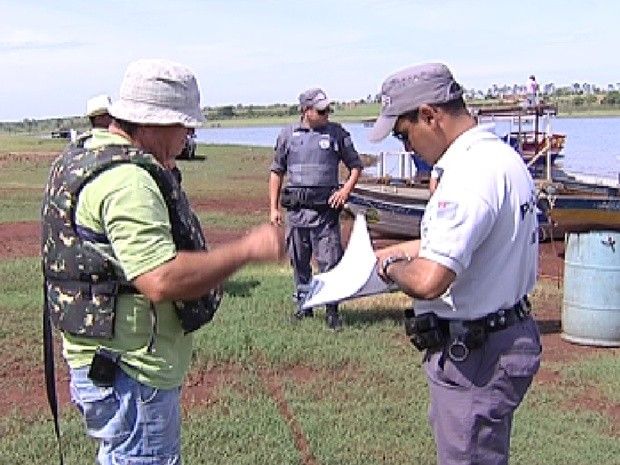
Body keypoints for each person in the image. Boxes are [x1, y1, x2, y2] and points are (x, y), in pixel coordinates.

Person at [41, 58, 285, 465]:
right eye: (184, 126)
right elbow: (159, 279)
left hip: (96, 358)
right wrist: (248, 249)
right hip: (132, 372)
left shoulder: (80, 157)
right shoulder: (129, 182)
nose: (188, 136)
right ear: (153, 122)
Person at [369, 63, 541, 465]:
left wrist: (389, 266)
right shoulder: (500, 157)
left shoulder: (467, 176)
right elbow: (480, 241)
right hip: (503, 335)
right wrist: (408, 250)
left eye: (404, 134)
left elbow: (429, 281)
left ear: (430, 115)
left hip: (476, 358)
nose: (407, 148)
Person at [269, 88, 363, 330]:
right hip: (297, 214)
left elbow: (355, 166)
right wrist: (273, 208)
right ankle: (304, 306)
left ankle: (332, 310)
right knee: (299, 262)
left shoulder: (337, 133)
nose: (326, 114)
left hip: (325, 215)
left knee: (329, 261)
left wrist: (345, 191)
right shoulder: (288, 135)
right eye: (321, 110)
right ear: (306, 111)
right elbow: (276, 171)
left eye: (328, 109)